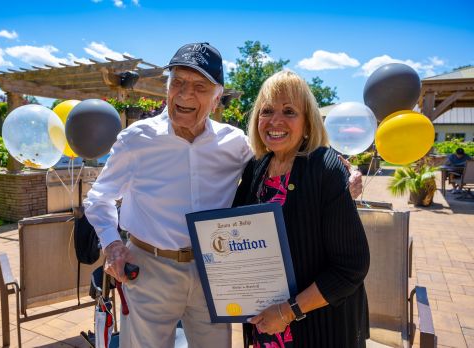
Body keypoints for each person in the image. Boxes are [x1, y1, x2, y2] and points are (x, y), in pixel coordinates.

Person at [84, 43, 363, 348]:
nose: (186, 94)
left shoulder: (235, 144)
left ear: (218, 97)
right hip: (151, 268)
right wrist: (112, 245)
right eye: (177, 82)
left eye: (200, 86)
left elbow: (288, 146)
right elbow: (98, 198)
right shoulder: (136, 139)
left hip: (215, 274)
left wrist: (343, 168)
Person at [232, 70, 370, 348]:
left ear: (308, 122)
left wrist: (287, 311)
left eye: (289, 111)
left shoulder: (326, 168)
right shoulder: (255, 168)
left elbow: (351, 268)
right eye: (267, 110)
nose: (275, 121)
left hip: (316, 329)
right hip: (266, 327)